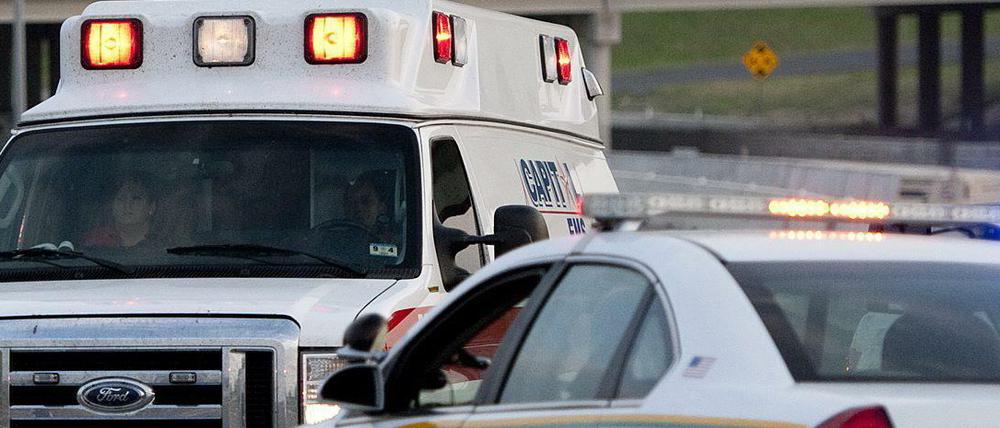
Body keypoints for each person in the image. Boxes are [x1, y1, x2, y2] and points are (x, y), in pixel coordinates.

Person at [83, 174, 158, 248]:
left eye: (136, 198)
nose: (127, 205)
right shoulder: (95, 240)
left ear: (151, 207)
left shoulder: (162, 243)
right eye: (121, 198)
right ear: (112, 205)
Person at [343, 170, 397, 243]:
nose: (358, 208)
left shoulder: (391, 244)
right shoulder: (332, 241)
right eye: (351, 203)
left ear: (381, 208)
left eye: (366, 201)